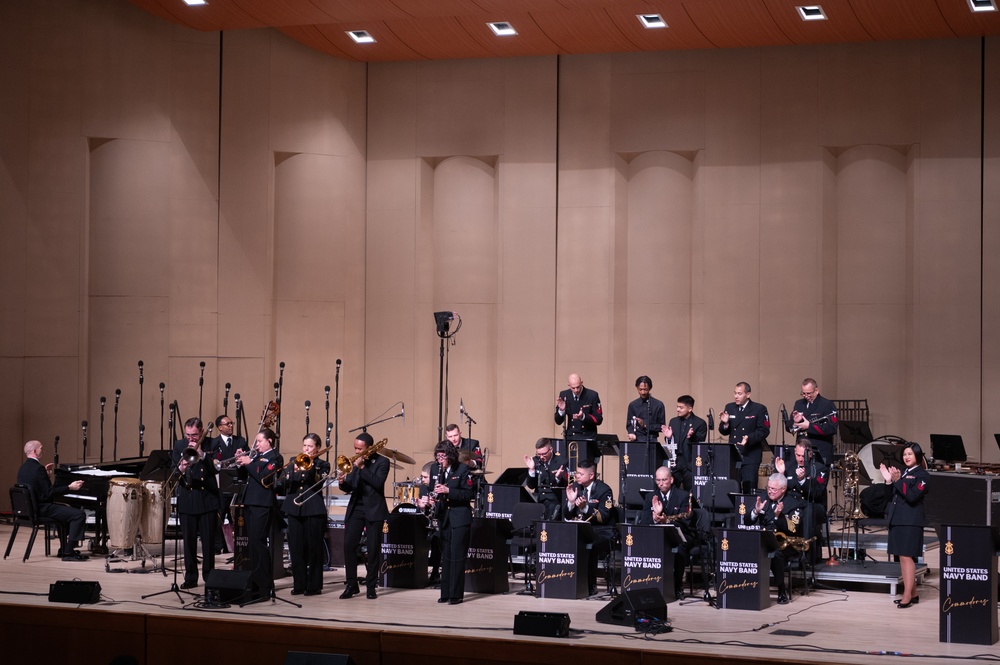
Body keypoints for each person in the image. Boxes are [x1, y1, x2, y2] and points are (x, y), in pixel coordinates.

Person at [337, 432, 390, 600]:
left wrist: (362, 467)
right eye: (355, 448)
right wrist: (342, 482)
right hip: (356, 509)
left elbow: (377, 483)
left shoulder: (382, 462)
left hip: (374, 509)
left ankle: (371, 586)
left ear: (369, 448)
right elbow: (351, 486)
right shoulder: (355, 462)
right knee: (348, 545)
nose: (356, 451)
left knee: (373, 549)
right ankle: (351, 585)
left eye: (359, 448)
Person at [16, 440, 88, 561]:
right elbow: (49, 493)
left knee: (65, 512)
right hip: (41, 509)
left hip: (29, 510)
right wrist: (70, 487)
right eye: (41, 449)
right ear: (34, 451)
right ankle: (68, 553)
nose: (42, 451)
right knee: (79, 514)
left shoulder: (23, 468)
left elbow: (36, 486)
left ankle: (64, 549)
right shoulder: (38, 469)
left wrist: (46, 475)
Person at [171, 417, 221, 588]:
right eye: (188, 435)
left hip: (206, 498)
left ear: (200, 432)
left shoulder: (212, 444)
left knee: (208, 543)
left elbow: (216, 468)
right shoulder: (179, 445)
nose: (190, 438)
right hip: (187, 499)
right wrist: (181, 468)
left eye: (194, 435)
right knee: (189, 542)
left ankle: (210, 577)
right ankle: (190, 577)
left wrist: (202, 454)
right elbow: (173, 472)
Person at [235, 427, 283, 601]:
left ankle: (266, 585)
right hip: (250, 502)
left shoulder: (275, 457)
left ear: (269, 441)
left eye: (259, 441)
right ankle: (254, 582)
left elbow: (264, 477)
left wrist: (249, 463)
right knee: (251, 545)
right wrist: (241, 462)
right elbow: (243, 476)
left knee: (258, 542)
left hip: (263, 504)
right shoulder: (255, 457)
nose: (256, 444)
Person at [743, 473, 806, 605]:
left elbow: (793, 528)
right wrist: (755, 512)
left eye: (773, 489)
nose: (770, 491)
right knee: (746, 547)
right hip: (765, 540)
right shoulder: (763, 498)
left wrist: (779, 516)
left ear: (783, 489)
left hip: (786, 543)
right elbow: (747, 522)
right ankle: (746, 588)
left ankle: (781, 590)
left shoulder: (794, 503)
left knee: (776, 554)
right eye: (768, 487)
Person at [281, 433, 331, 596]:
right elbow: (283, 482)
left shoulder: (323, 464)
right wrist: (294, 471)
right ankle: (299, 584)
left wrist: (307, 468)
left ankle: (314, 585)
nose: (306, 449)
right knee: (296, 548)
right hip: (295, 508)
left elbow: (318, 483)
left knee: (314, 548)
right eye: (304, 446)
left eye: (310, 446)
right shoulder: (294, 462)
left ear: (317, 447)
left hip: (313, 509)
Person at [880, 442, 929, 608]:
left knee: (907, 557)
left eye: (910, 454)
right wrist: (888, 481)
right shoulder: (902, 473)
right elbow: (890, 497)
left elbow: (912, 496)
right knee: (902, 557)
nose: (906, 457)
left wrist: (897, 481)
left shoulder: (922, 475)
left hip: (910, 520)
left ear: (917, 456)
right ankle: (913, 593)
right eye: (904, 454)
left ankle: (907, 595)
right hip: (898, 518)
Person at [639, 465, 696, 599]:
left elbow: (685, 521)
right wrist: (655, 518)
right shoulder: (650, 497)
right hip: (657, 535)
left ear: (671, 480)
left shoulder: (683, 495)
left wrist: (666, 521)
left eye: (664, 480)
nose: (660, 483)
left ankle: (677, 586)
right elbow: (644, 520)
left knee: (679, 548)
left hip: (679, 534)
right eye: (658, 480)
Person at [430, 440, 474, 604]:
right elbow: (432, 491)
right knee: (446, 556)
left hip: (460, 517)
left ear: (450, 455)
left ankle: (456, 594)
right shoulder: (436, 469)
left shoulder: (463, 469)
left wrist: (449, 491)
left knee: (457, 556)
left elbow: (468, 494)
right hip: (445, 518)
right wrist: (430, 499)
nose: (439, 459)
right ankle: (445, 592)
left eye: (442, 456)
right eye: (437, 456)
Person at [564, 459, 615, 596]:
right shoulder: (575, 486)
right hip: (581, 530)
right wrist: (570, 502)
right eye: (577, 473)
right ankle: (566, 582)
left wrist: (585, 508)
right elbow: (567, 515)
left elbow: (603, 517)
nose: (577, 476)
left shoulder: (604, 490)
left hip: (602, 532)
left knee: (589, 546)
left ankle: (589, 586)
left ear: (591, 475)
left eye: (581, 474)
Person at [719, 382, 771, 494]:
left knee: (749, 488)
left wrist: (749, 438)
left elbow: (764, 430)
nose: (736, 396)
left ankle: (749, 511)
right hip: (734, 455)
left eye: (739, 393)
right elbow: (723, 431)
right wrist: (725, 424)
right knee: (733, 488)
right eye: (735, 393)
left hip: (750, 455)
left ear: (748, 394)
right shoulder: (730, 407)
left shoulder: (759, 409)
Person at [776, 438, 829, 545]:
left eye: (802, 456)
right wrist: (781, 475)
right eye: (798, 455)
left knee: (807, 512)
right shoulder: (788, 467)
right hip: (793, 503)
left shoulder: (819, 469)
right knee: (777, 507)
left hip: (813, 504)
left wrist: (803, 480)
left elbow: (817, 493)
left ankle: (806, 552)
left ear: (810, 454)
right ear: (794, 452)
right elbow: (779, 490)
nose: (800, 459)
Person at [213, 414, 246, 554]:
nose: (231, 425)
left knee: (238, 516)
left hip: (237, 483)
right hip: (221, 485)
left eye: (231, 423)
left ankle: (236, 546)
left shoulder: (240, 441)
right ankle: (217, 546)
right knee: (219, 515)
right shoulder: (214, 443)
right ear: (220, 427)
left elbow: (246, 457)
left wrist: (240, 460)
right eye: (228, 424)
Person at [789, 378, 838, 465]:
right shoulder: (799, 404)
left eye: (808, 393)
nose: (806, 396)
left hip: (820, 451)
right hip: (802, 453)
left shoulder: (827, 404)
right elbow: (789, 426)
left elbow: (832, 428)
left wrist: (809, 426)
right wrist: (795, 422)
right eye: (803, 393)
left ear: (816, 390)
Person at [665, 395, 708, 491]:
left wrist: (691, 437)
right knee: (673, 490)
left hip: (690, 463)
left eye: (681, 407)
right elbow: (669, 443)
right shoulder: (673, 421)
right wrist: (668, 437)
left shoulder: (700, 423)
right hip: (675, 463)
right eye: (677, 407)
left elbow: (700, 442)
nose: (678, 410)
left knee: (690, 492)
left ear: (690, 409)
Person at [524, 439, 569, 520]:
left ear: (551, 450)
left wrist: (558, 477)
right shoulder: (535, 461)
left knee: (551, 510)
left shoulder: (561, 461)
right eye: (539, 454)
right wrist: (531, 470)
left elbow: (564, 485)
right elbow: (531, 486)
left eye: (544, 454)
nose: (541, 457)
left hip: (554, 499)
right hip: (539, 498)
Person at [414, 463, 441, 585]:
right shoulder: (423, 488)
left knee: (437, 539)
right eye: (421, 476)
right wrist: (421, 505)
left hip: (439, 522)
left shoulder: (439, 487)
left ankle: (436, 572)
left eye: (425, 477)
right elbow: (421, 512)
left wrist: (435, 503)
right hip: (426, 522)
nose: (422, 479)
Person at [554, 373, 603, 439]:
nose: (576, 390)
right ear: (569, 385)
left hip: (587, 437)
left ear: (581, 383)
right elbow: (558, 421)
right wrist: (562, 410)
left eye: (578, 387)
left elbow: (598, 419)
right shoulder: (564, 395)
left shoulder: (592, 395)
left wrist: (583, 417)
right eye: (573, 388)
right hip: (571, 437)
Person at [625, 375, 666, 443]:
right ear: (637, 388)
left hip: (652, 439)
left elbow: (661, 427)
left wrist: (645, 425)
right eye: (640, 389)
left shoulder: (658, 404)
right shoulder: (633, 405)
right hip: (636, 439)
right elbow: (629, 423)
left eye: (645, 389)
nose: (643, 392)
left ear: (650, 388)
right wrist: (631, 433)